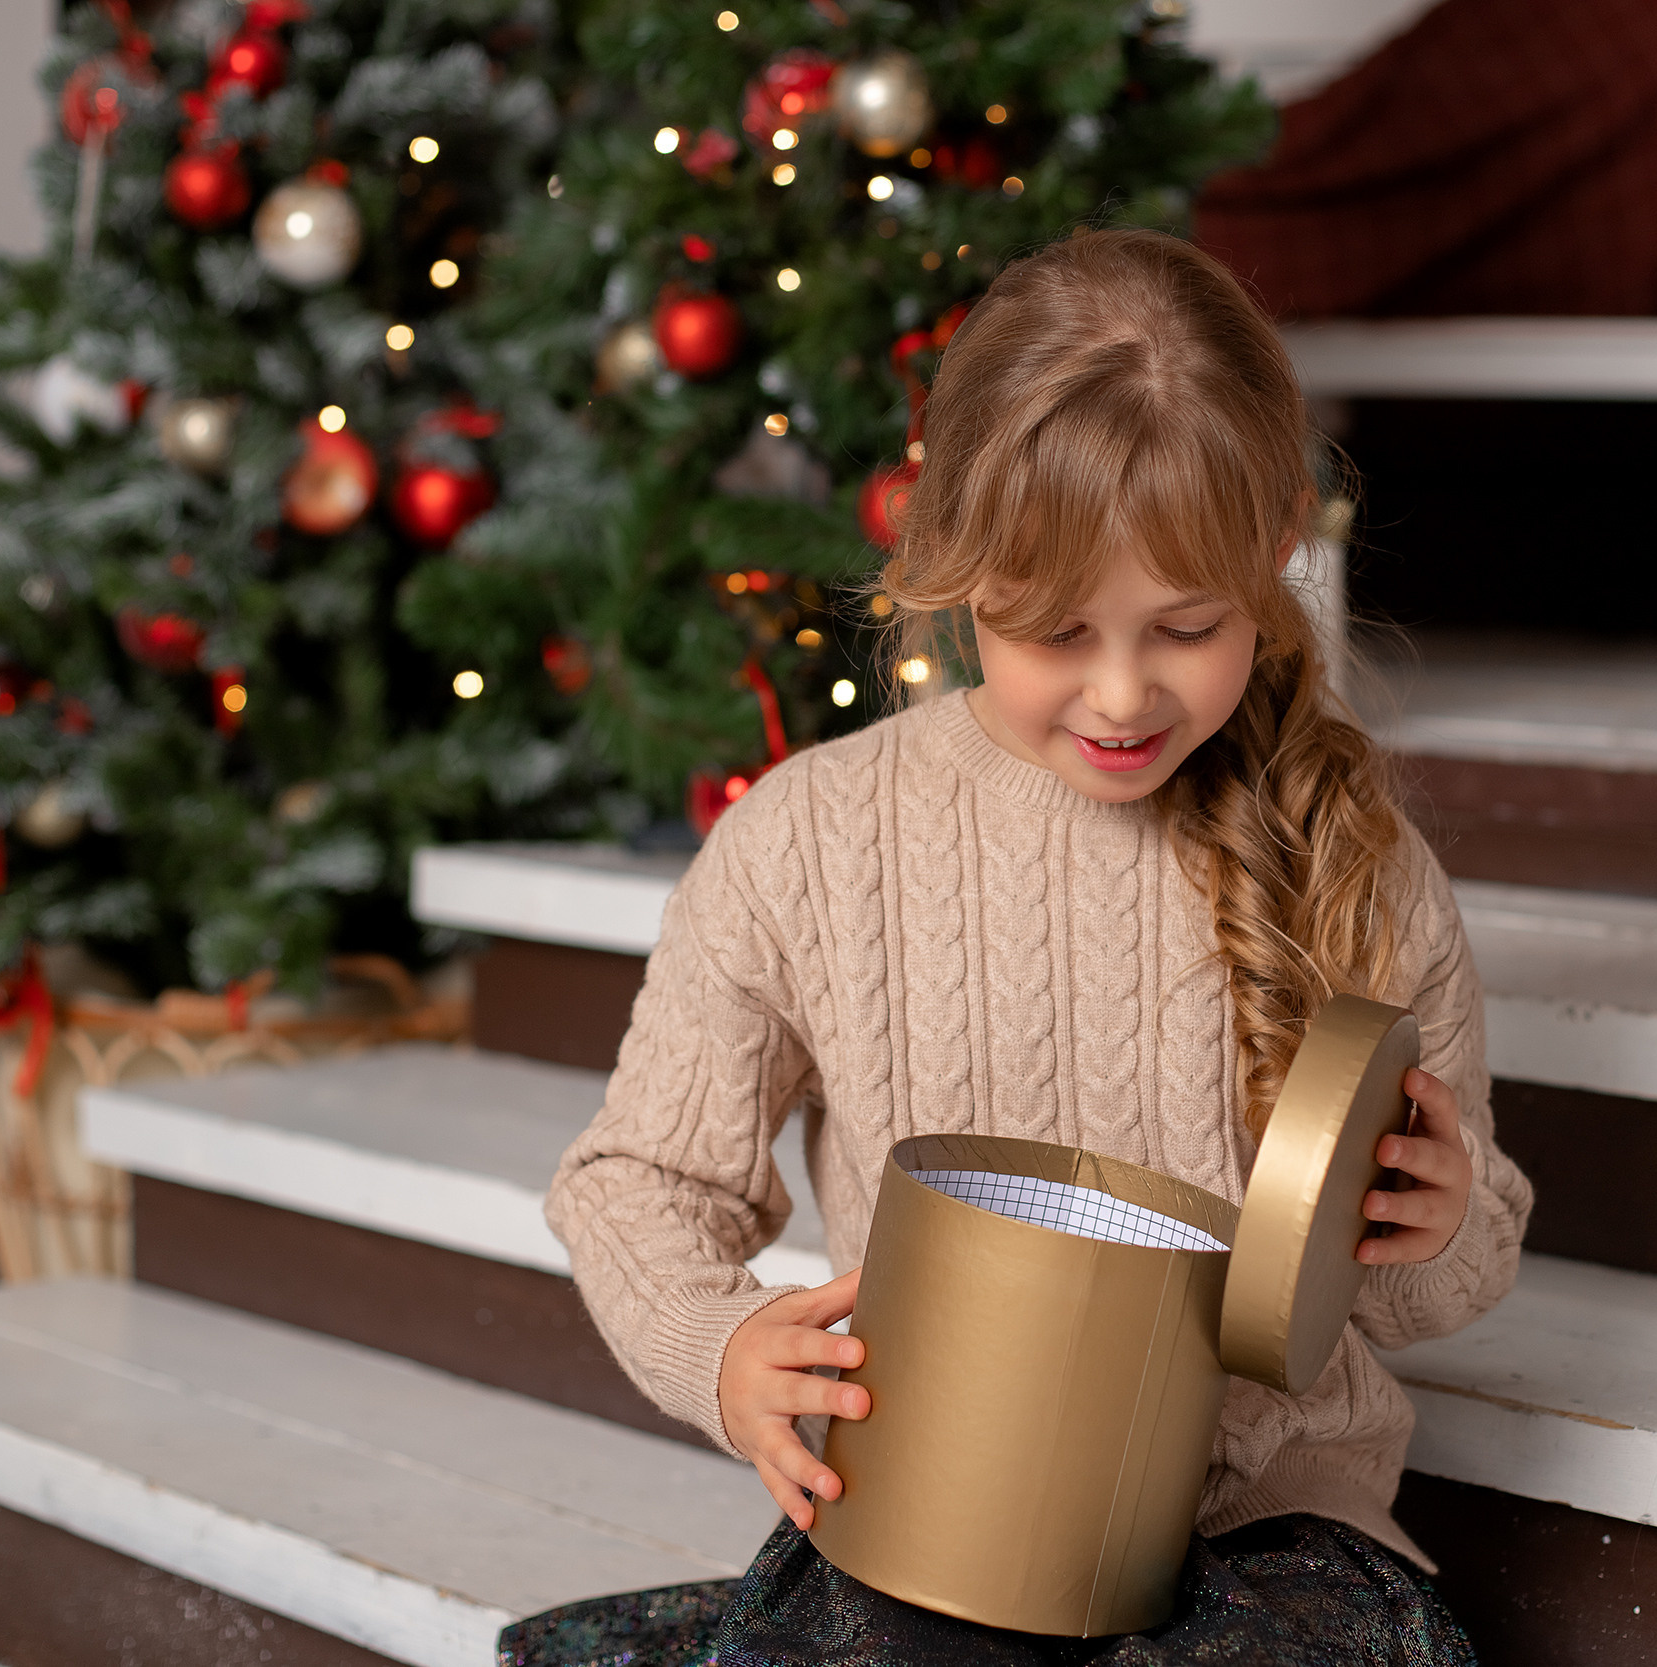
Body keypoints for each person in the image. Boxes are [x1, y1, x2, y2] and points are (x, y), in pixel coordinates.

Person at [539, 226, 1534, 1666]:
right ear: (951, 569)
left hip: (1266, 1526)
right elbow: (638, 1182)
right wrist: (723, 1349)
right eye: (1059, 630)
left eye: (1186, 627)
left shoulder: (1355, 855)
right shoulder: (812, 842)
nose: (1123, 693)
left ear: (1269, 570)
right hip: (942, 1515)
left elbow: (1442, 1269)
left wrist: (1438, 1225)